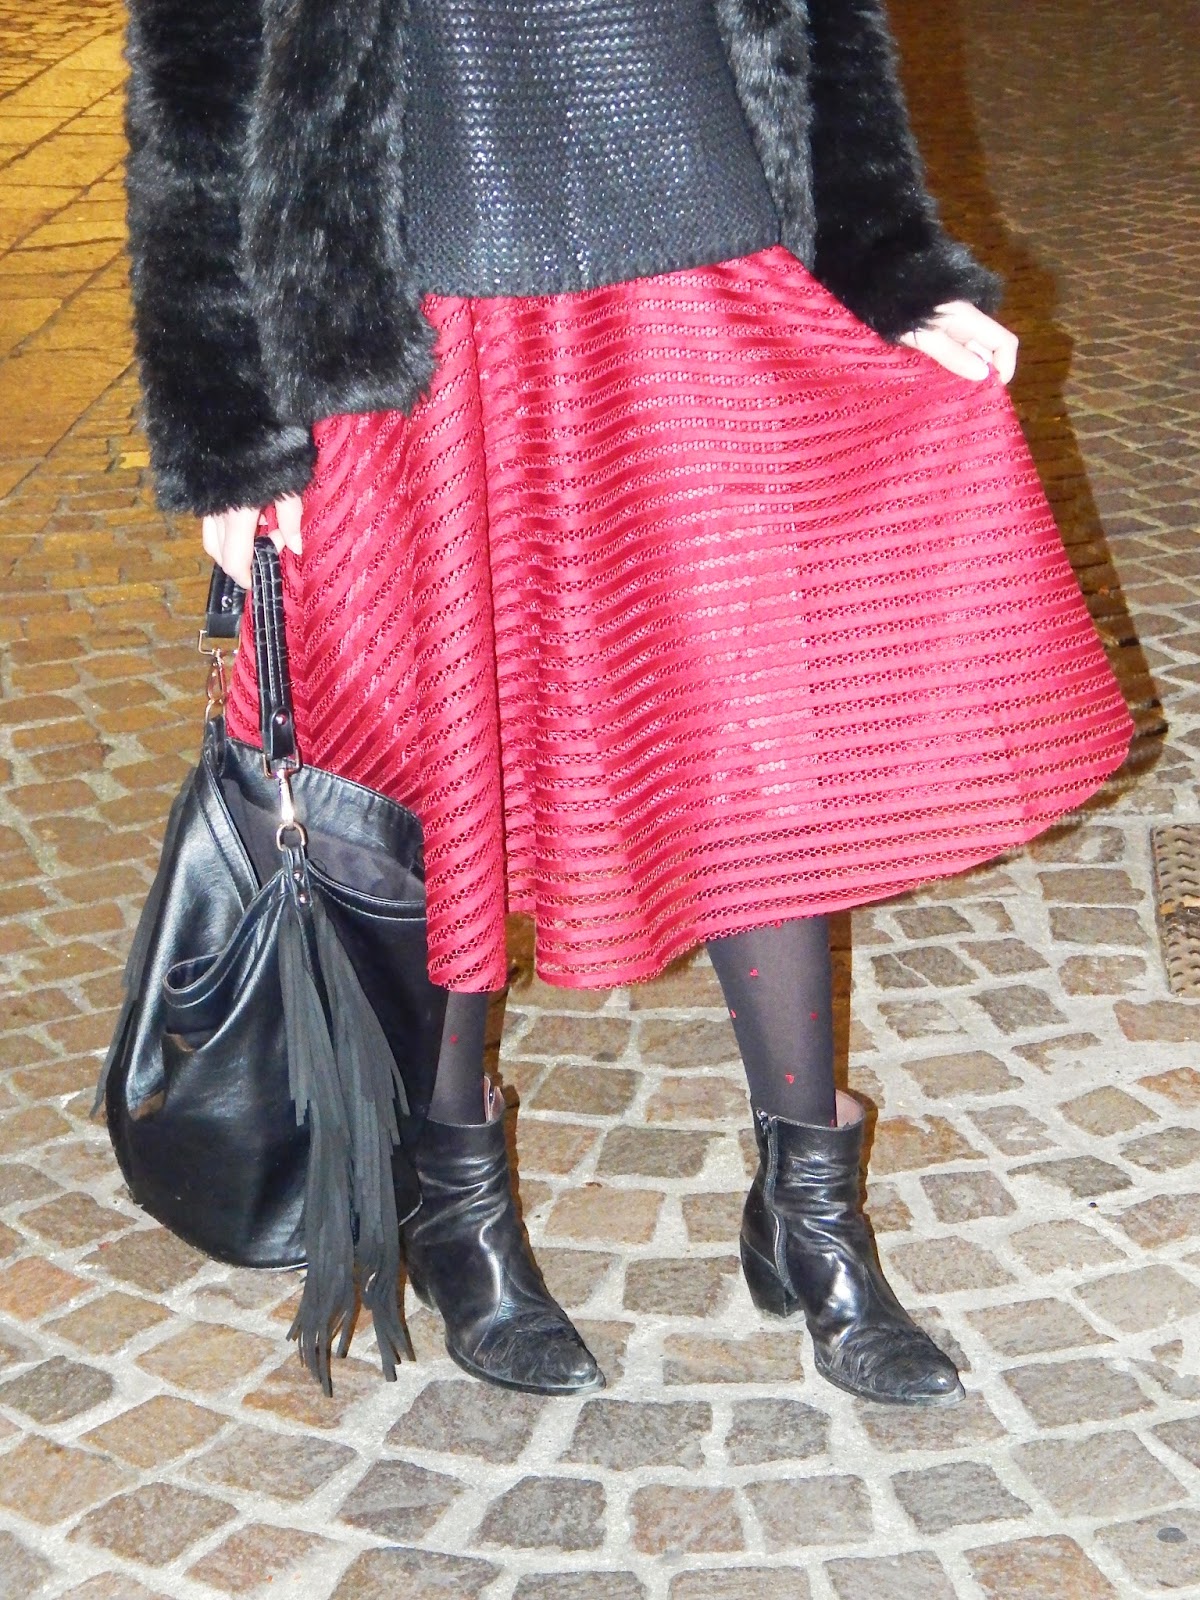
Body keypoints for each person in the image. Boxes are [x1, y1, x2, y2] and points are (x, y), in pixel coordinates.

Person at [124, 0, 1133, 1406]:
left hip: (705, 270)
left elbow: (814, 28)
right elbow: (201, 85)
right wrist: (231, 429)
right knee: (447, 752)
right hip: (418, 313)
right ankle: (455, 1206)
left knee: (750, 735)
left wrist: (887, 264)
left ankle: (811, 1215)